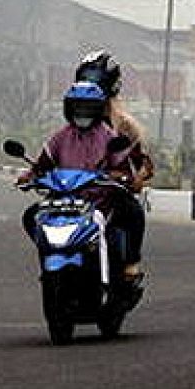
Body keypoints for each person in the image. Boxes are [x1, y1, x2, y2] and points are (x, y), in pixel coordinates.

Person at [21, 80, 147, 281]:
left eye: (88, 107)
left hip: (100, 202)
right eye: (77, 107)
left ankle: (127, 267)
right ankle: (48, 264)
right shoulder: (60, 138)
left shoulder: (109, 137)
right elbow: (43, 164)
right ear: (69, 109)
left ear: (98, 110)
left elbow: (122, 167)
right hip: (64, 201)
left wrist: (121, 177)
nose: (82, 112)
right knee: (31, 216)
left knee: (134, 212)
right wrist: (31, 176)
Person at [75, 50, 156, 190]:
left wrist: (134, 178)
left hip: (110, 197)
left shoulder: (125, 127)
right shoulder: (72, 127)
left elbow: (143, 165)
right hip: (76, 196)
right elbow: (52, 155)